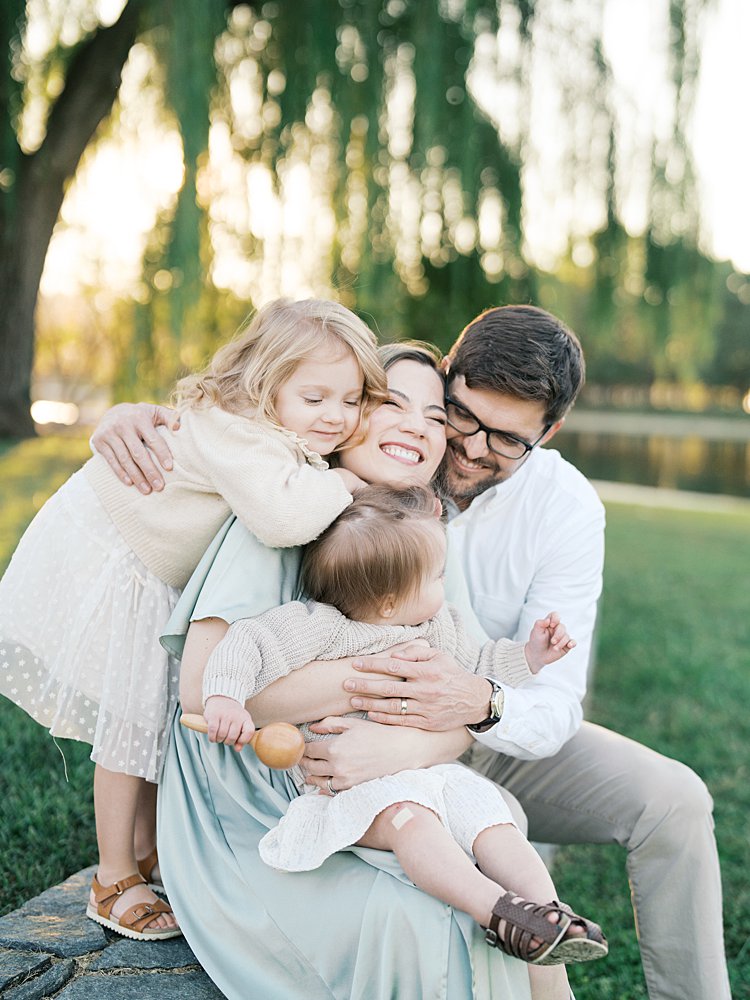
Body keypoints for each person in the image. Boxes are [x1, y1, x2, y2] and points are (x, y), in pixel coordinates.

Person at [94, 309, 730, 1000]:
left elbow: (547, 708)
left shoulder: (564, 508)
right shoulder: (327, 486)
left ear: (548, 435)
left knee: (674, 801)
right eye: (458, 415)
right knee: (436, 873)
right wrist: (146, 418)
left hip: (483, 730)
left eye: (508, 440)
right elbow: (275, 391)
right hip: (345, 753)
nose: (468, 447)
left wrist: (443, 727)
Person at [0, 297, 386, 941]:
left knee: (150, 715)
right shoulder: (241, 429)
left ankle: (147, 849)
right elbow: (285, 518)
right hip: (120, 556)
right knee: (132, 720)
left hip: (148, 563)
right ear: (266, 384)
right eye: (315, 397)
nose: (335, 416)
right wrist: (347, 484)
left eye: (350, 401)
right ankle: (113, 875)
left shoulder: (268, 432)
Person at [202, 482, 607, 1000]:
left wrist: (528, 658)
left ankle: (550, 918)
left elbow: (480, 667)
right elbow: (249, 642)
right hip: (355, 789)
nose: (446, 585)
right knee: (414, 823)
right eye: (437, 576)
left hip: (434, 773)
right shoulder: (322, 629)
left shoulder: (440, 628)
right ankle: (499, 912)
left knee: (493, 819)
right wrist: (225, 698)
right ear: (392, 602)